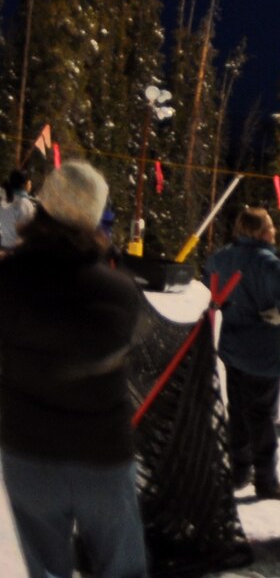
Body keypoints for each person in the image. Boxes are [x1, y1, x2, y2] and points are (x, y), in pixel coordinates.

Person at [0, 161, 147, 578]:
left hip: (27, 453)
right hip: (102, 455)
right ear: (92, 218)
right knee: (122, 570)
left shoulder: (8, 280)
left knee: (46, 569)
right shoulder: (119, 293)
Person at [206, 205, 280, 499]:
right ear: (262, 231)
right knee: (262, 416)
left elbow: (209, 270)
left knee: (238, 411)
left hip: (234, 347)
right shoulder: (266, 262)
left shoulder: (224, 257)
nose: (274, 231)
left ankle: (239, 470)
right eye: (271, 226)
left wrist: (224, 299)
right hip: (263, 351)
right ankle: (266, 479)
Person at [0, 170, 34, 254]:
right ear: (25, 184)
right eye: (30, 182)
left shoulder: (3, 201)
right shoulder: (25, 204)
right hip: (17, 251)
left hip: (3, 247)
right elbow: (29, 233)